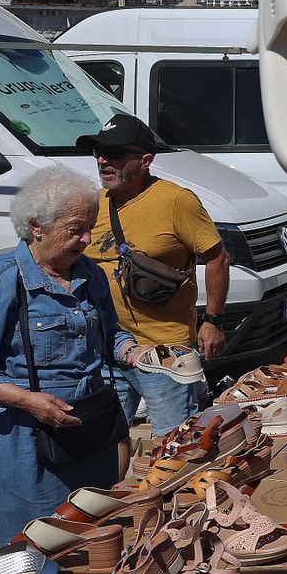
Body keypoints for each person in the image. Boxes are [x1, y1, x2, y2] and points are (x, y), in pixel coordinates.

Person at [0, 166, 140, 545]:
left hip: (86, 432)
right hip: (19, 441)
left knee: (92, 543)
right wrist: (27, 400)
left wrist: (135, 352)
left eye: (91, 227)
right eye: (75, 229)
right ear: (37, 226)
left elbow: (110, 335)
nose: (87, 239)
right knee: (37, 553)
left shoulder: (90, 275)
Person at [79, 114, 227, 440]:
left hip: (164, 353)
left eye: (115, 153)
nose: (103, 160)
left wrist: (213, 321)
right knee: (103, 442)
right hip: (108, 348)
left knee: (176, 444)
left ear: (145, 160)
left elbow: (217, 257)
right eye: (98, 152)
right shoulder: (95, 203)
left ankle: (183, 491)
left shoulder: (177, 201)